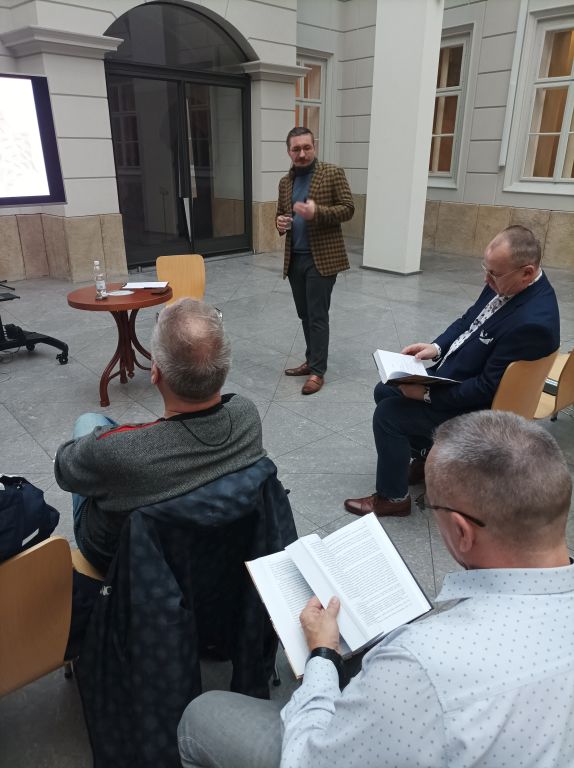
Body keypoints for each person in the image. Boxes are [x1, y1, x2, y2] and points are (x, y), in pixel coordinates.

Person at [177, 410, 574, 768]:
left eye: (430, 506)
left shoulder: (419, 663)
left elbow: (309, 759)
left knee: (202, 715)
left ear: (461, 532)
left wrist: (322, 655)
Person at [344, 224, 560, 518]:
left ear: (527, 272)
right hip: (461, 376)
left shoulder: (532, 322)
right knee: (385, 389)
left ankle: (393, 498)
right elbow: (469, 320)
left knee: (388, 415)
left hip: (481, 407)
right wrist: (436, 347)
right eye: (486, 269)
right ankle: (425, 457)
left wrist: (427, 395)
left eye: (493, 274)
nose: (486, 279)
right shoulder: (507, 282)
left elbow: (486, 389)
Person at [54, 298, 265, 573]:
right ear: (224, 369)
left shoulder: (115, 451)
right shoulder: (246, 414)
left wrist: (115, 448)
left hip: (120, 558)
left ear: (154, 372)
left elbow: (64, 469)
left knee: (89, 422)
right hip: (217, 548)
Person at [276, 126, 354, 395]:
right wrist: (279, 222)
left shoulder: (332, 173)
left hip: (322, 259)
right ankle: (311, 360)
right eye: (296, 149)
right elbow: (281, 213)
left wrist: (316, 212)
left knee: (317, 315)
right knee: (304, 314)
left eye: (306, 147)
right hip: (294, 259)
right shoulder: (285, 182)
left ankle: (318, 371)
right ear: (289, 152)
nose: (302, 153)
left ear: (314, 147)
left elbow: (348, 209)